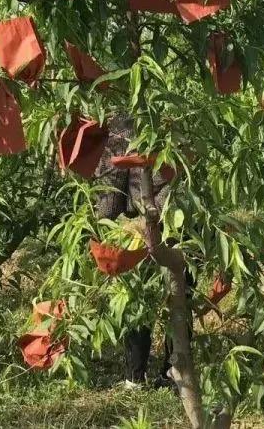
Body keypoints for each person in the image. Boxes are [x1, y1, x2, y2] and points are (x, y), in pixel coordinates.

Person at [93, 116, 187, 387]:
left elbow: (111, 192)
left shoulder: (123, 125)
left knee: (138, 298)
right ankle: (172, 370)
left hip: (148, 227)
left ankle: (139, 375)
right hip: (179, 223)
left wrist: (106, 226)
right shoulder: (183, 118)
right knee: (178, 295)